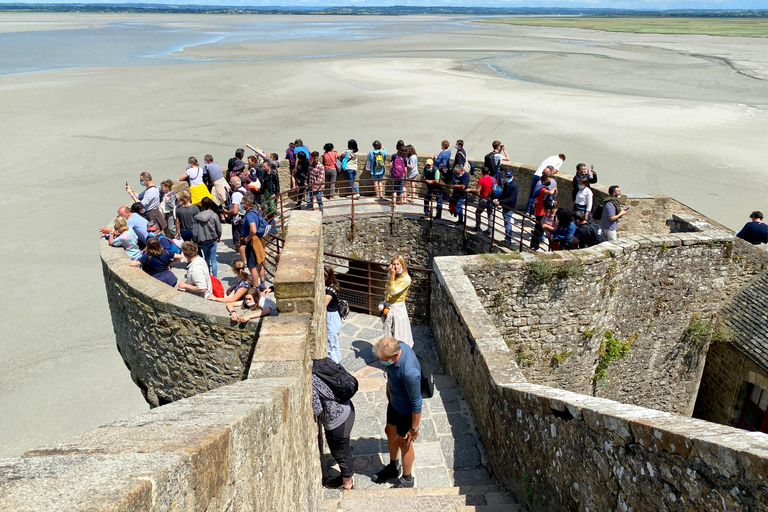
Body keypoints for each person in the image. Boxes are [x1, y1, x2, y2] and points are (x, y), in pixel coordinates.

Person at [372, 336, 422, 489]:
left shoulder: (410, 373)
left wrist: (414, 429)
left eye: (384, 359)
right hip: (394, 403)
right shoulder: (399, 345)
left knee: (404, 442)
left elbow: (417, 402)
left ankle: (407, 479)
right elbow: (391, 373)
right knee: (389, 432)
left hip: (405, 411)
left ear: (394, 355)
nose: (382, 362)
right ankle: (394, 467)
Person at [312, 362, 355, 490]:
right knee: (344, 448)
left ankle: (348, 484)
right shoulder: (319, 366)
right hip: (348, 409)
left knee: (340, 453)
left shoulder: (311, 382)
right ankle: (345, 477)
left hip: (338, 421)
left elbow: (317, 409)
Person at [381, 255, 414, 348]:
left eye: (398, 264)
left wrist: (392, 276)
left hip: (398, 309)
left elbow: (393, 292)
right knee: (388, 333)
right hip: (389, 308)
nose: (395, 267)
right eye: (393, 264)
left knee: (399, 334)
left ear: (402, 265)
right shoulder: (394, 275)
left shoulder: (406, 278)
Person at [240, 192, 268, 290]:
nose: (241, 205)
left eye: (242, 203)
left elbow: (253, 229)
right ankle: (263, 283)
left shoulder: (249, 215)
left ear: (246, 204)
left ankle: (256, 288)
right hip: (258, 241)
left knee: (252, 267)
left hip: (252, 243)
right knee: (260, 263)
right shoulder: (256, 211)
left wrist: (248, 237)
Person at [192, 197, 221, 277]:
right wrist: (219, 235)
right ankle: (215, 277)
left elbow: (195, 230)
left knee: (206, 258)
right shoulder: (214, 215)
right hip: (212, 239)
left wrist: (195, 241)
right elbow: (218, 227)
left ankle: (208, 276)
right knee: (213, 259)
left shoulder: (197, 217)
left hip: (203, 240)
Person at [494, 169, 519, 244]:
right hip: (504, 206)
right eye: (507, 177)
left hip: (509, 207)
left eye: (509, 177)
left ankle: (508, 239)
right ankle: (507, 238)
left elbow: (512, 199)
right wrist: (498, 199)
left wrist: (500, 202)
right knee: (506, 223)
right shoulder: (506, 184)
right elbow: (503, 194)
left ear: (512, 177)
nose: (508, 178)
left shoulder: (514, 186)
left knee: (507, 223)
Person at [223, 177, 247, 249]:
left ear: (233, 184)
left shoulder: (236, 194)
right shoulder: (244, 190)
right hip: (245, 218)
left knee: (239, 243)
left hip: (238, 220)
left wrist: (226, 211)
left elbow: (235, 211)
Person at [325, 267, 343, 363]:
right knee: (335, 344)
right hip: (334, 316)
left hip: (331, 318)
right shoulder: (333, 286)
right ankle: (338, 364)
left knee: (330, 346)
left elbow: (323, 304)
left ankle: (335, 367)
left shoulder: (330, 290)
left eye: (325, 276)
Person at [472, 166, 496, 235]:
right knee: (490, 215)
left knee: (478, 213)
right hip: (491, 200)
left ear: (482, 172)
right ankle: (489, 230)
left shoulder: (481, 180)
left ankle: (478, 227)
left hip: (484, 199)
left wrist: (470, 189)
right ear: (489, 172)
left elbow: (477, 191)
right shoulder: (493, 179)